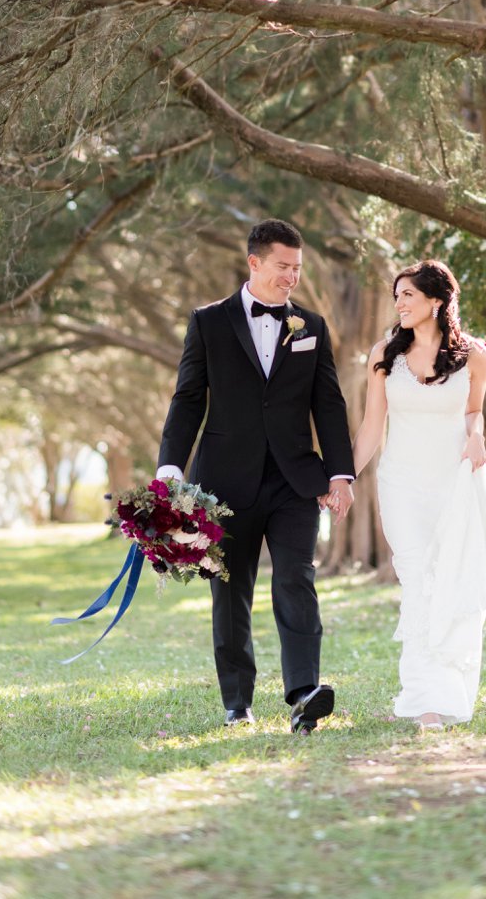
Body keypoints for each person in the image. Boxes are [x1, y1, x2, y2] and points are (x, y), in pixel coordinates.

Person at [156, 219, 355, 734]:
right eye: (283, 267)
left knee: (296, 577)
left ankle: (304, 692)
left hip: (294, 480)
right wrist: (170, 469)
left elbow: (327, 404)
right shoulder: (208, 322)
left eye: (298, 269)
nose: (292, 277)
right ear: (254, 263)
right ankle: (237, 700)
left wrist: (340, 474)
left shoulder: (311, 326)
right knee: (231, 591)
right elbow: (188, 398)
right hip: (225, 482)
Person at [346, 259, 486, 730]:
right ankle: (422, 699)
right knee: (418, 582)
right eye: (397, 296)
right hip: (402, 484)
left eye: (408, 295)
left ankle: (445, 693)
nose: (399, 304)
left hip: (454, 483)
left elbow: (473, 412)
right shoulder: (384, 356)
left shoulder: (475, 355)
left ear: (436, 300)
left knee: (450, 582)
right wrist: (343, 479)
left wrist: (477, 436)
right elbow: (373, 428)